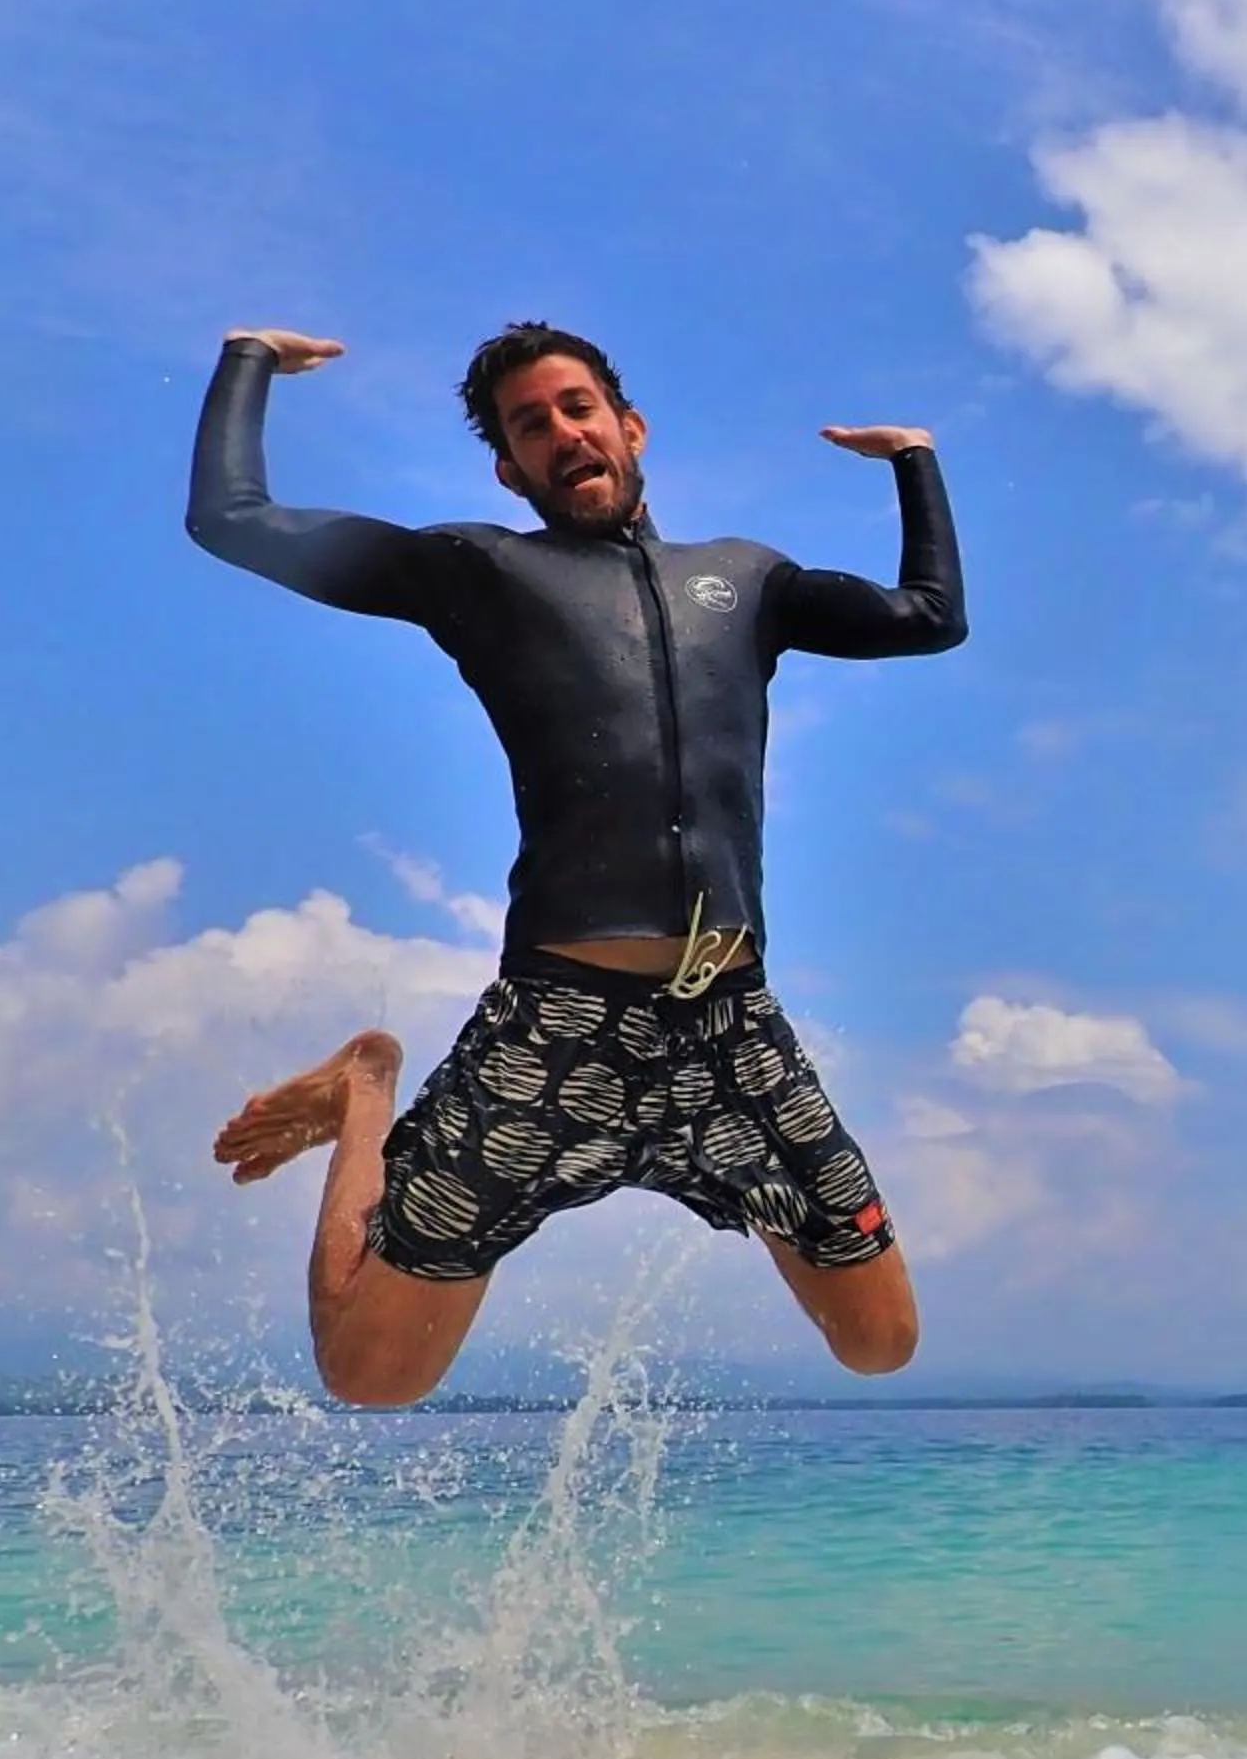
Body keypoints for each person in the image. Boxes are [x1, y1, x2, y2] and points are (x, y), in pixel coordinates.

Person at [185, 322, 966, 1406]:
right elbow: (231, 521)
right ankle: (369, 1086)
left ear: (628, 426)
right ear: (510, 468)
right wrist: (249, 361)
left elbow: (930, 620)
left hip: (734, 1032)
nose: (561, 433)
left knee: (881, 1344)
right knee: (371, 1379)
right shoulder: (480, 572)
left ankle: (383, 1096)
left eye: (577, 408)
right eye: (530, 425)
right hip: (556, 1029)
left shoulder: (749, 580)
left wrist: (915, 462)